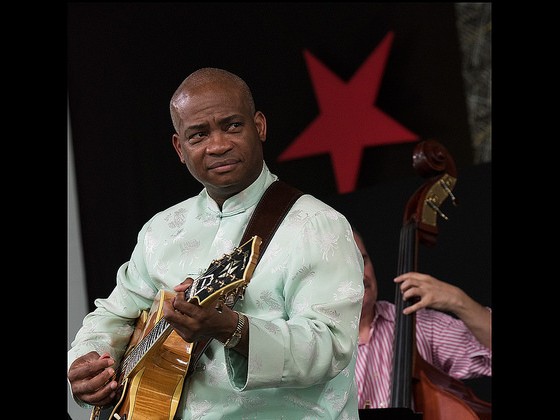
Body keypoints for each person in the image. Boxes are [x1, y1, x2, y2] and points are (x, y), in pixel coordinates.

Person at [67, 67, 365, 419]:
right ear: (180, 148)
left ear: (260, 126)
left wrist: (231, 328)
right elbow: (114, 313)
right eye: (198, 135)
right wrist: (89, 360)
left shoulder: (317, 225)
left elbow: (332, 345)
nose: (218, 145)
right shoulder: (161, 230)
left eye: (232, 125)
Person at [352, 228, 491, 409]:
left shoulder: (416, 324)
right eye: (348, 265)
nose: (362, 275)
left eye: (363, 260)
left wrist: (458, 299)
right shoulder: (312, 344)